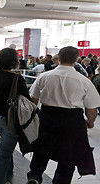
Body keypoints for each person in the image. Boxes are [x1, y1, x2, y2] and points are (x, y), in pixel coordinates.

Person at [26, 46, 100, 184]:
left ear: (58, 58)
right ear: (77, 59)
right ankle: (61, 181)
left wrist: (35, 118)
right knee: (68, 155)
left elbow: (33, 100)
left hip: (47, 117)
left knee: (42, 148)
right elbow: (92, 109)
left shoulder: (44, 76)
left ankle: (34, 176)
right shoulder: (84, 81)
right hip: (72, 121)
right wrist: (90, 122)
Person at [0, 48, 31, 184]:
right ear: (13, 61)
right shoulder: (17, 78)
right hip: (10, 119)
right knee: (4, 153)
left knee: (6, 146)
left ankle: (8, 174)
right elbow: (27, 101)